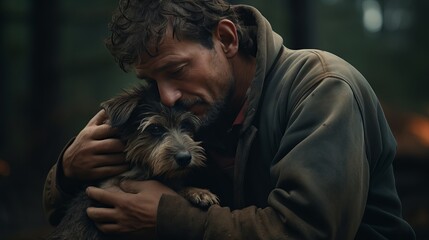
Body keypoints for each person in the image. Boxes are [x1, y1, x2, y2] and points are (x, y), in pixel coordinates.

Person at [43, 0, 416, 239]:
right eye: (152, 81)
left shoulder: (321, 88)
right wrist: (67, 172)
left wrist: (171, 218)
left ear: (226, 38)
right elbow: (72, 214)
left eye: (176, 69)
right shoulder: (195, 111)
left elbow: (309, 231)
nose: (167, 95)